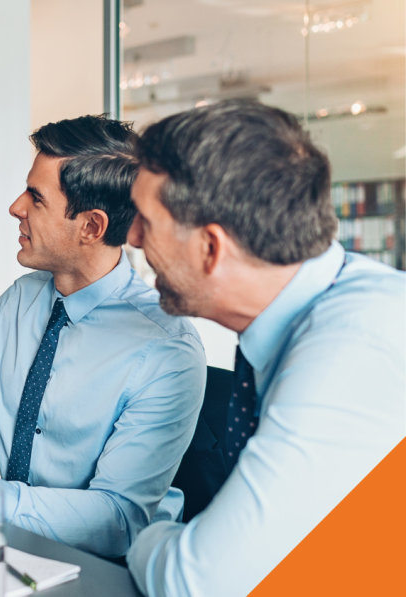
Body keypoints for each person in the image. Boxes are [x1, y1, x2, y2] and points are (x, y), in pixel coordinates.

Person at [0, 115, 207, 558]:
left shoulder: (165, 349)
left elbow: (119, 521)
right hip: (17, 544)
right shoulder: (18, 301)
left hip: (109, 568)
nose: (16, 207)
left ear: (91, 227)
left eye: (36, 198)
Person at [125, 100, 406, 596]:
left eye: (145, 221)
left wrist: (145, 537)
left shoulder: (350, 350)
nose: (130, 237)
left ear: (210, 248)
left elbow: (196, 582)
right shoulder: (318, 314)